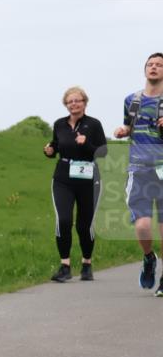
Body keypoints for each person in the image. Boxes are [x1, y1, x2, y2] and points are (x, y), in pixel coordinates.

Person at [43, 87, 107, 282]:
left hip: (88, 179)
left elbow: (103, 152)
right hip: (63, 178)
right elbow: (56, 145)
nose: (74, 104)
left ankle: (86, 264)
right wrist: (50, 150)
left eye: (77, 100)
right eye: (70, 101)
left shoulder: (93, 124)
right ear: (66, 104)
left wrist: (86, 144)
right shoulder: (59, 124)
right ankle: (65, 266)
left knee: (84, 225)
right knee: (63, 220)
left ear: (84, 103)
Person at [113, 52, 163, 297]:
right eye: (150, 64)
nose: (153, 68)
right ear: (145, 70)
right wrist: (123, 130)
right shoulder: (131, 100)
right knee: (143, 225)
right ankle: (149, 257)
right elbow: (129, 126)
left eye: (159, 65)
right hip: (139, 169)